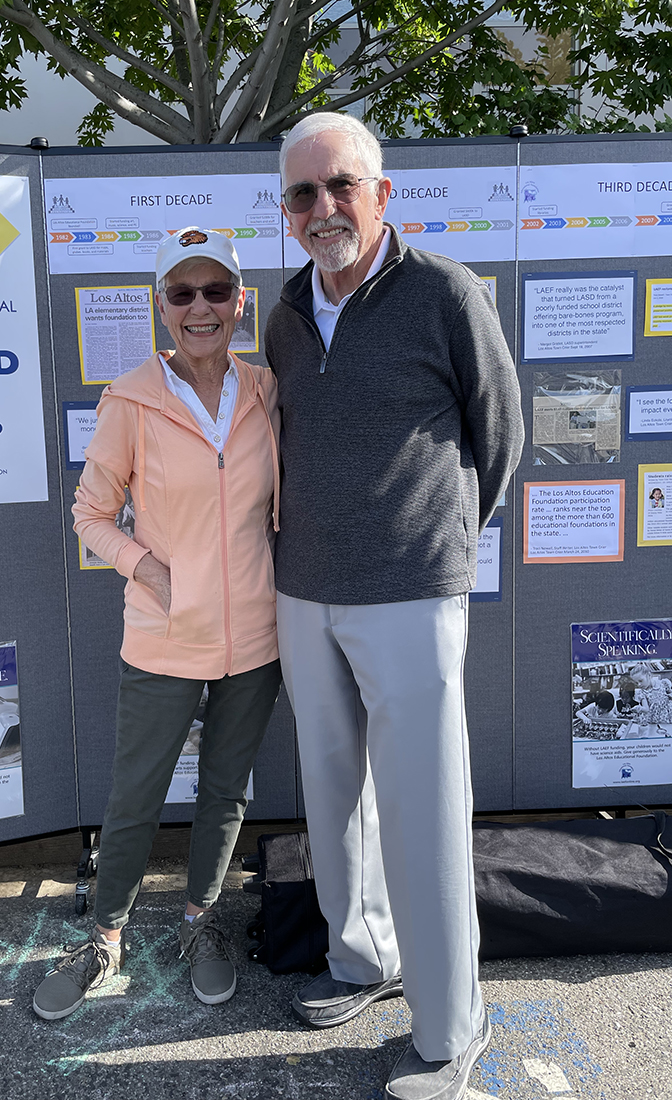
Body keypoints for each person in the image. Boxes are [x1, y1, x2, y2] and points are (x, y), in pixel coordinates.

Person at [265, 113, 524, 1100]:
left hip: (411, 591)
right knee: (333, 791)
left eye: (341, 186)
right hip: (304, 587)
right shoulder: (285, 311)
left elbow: (495, 433)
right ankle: (362, 960)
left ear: (382, 194)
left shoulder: (444, 294)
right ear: (286, 211)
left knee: (425, 807)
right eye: (303, 193)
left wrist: (434, 543)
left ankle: (452, 1022)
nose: (323, 208)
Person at [32, 227, 282, 1020]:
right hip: (165, 634)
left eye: (217, 291)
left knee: (225, 793)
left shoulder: (269, 391)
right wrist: (151, 571)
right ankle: (105, 939)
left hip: (257, 637)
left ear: (242, 302)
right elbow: (90, 514)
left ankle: (199, 923)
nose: (201, 307)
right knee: (136, 796)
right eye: (183, 293)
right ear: (161, 308)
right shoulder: (130, 400)